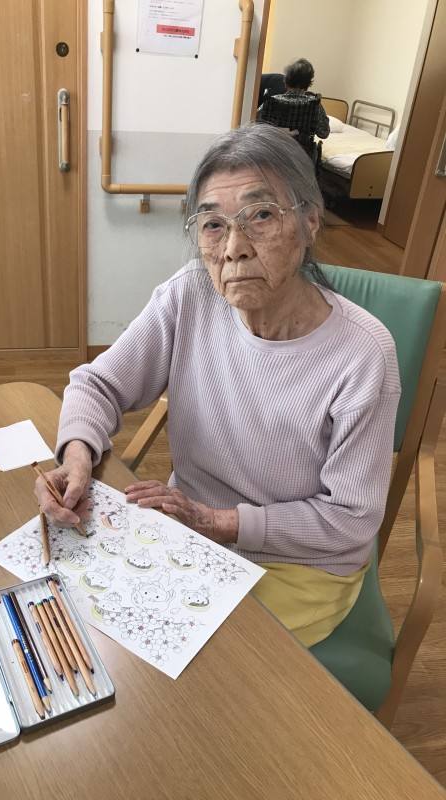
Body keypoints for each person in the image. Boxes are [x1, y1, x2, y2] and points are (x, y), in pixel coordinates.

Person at [35, 123, 400, 648]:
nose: (233, 248)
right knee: (84, 620)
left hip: (299, 563)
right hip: (192, 532)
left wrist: (218, 522)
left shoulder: (363, 353)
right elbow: (98, 384)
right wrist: (75, 456)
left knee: (193, 667)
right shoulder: (190, 295)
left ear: (310, 221)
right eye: (212, 224)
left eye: (261, 215)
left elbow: (349, 521)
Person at [257, 58, 330, 160]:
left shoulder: (271, 101)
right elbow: (324, 133)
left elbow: (256, 123)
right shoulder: (314, 104)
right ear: (307, 86)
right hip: (301, 157)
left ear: (286, 82)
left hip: (273, 154)